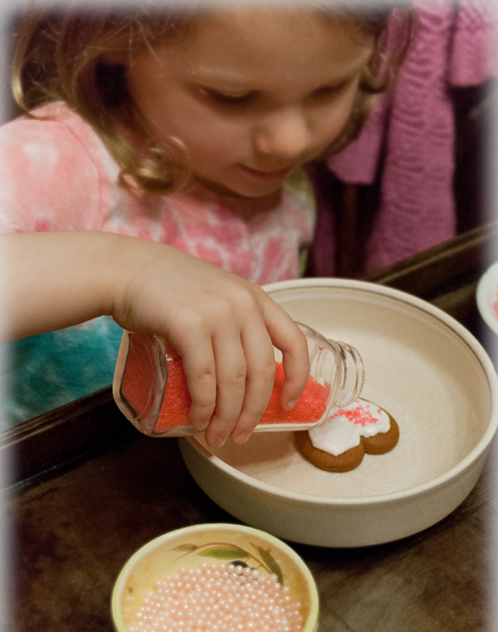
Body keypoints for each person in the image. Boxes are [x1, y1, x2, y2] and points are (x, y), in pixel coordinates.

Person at [0, 0, 411, 445]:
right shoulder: (51, 161)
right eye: (232, 97)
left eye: (329, 89)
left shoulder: (282, 182)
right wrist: (122, 270)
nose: (290, 142)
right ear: (117, 35)